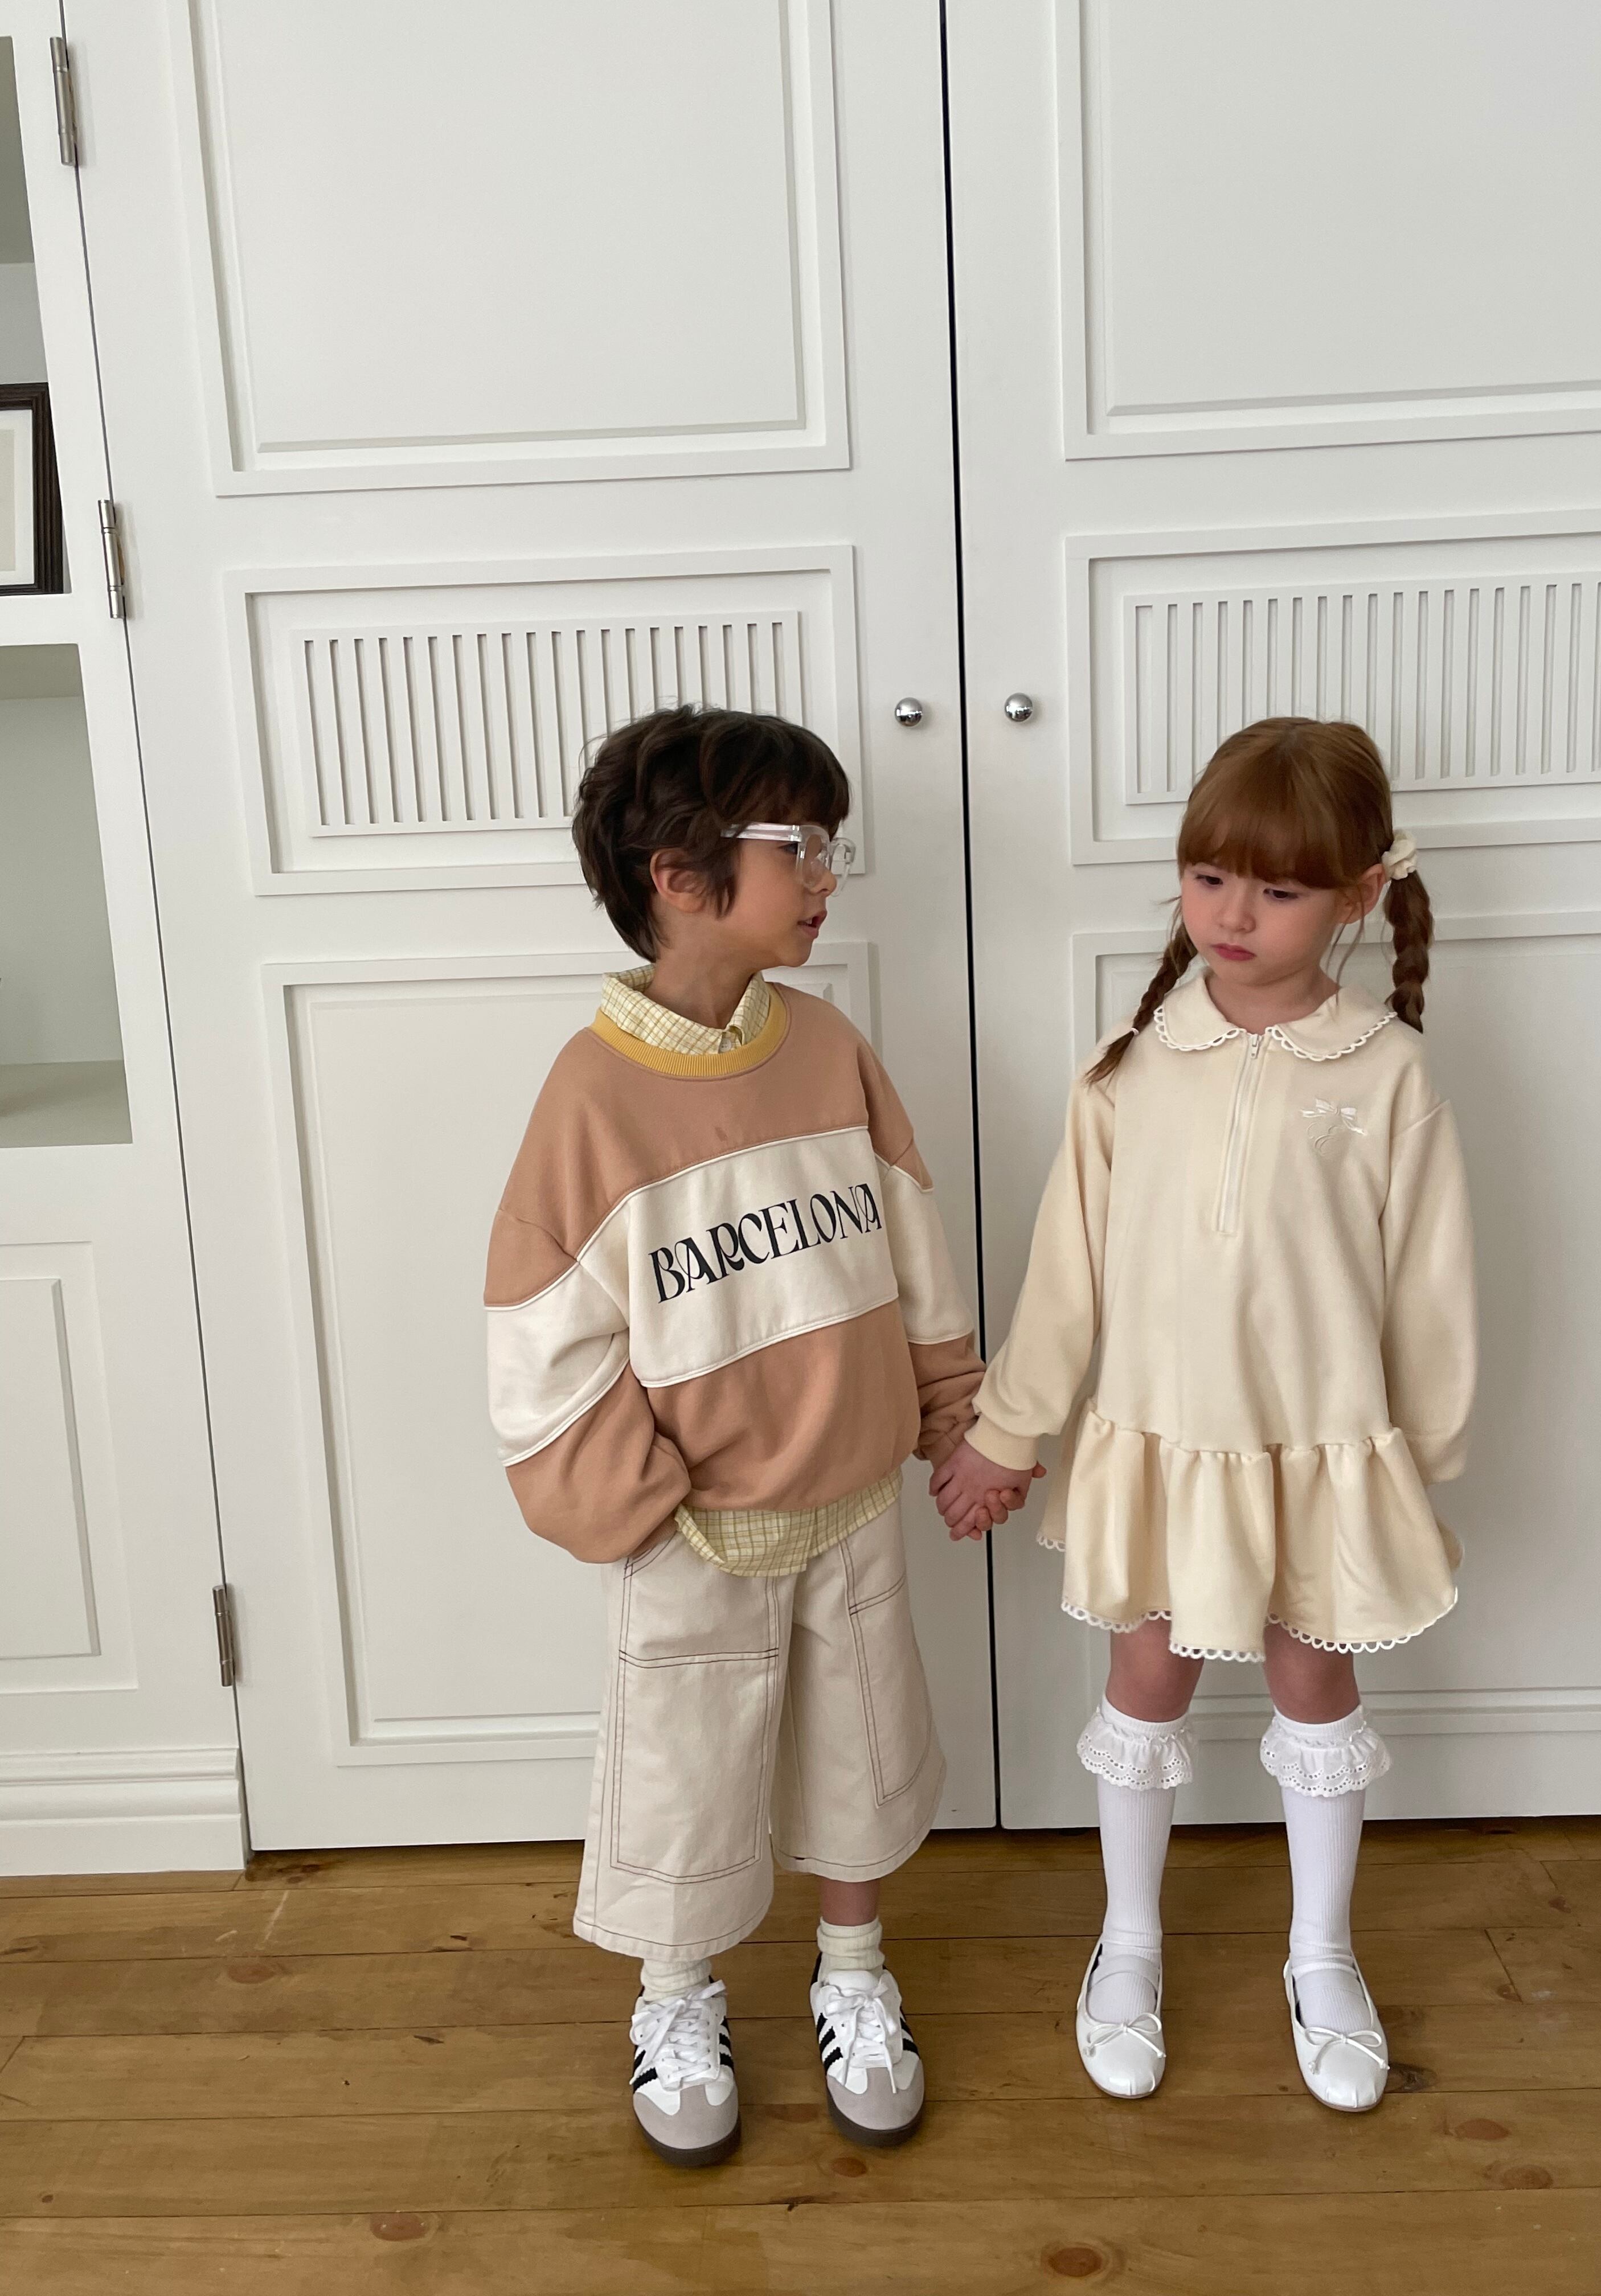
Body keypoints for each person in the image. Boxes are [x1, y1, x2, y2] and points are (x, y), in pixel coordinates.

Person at [933, 717, 1476, 2114]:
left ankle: (1322, 1952)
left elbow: (1431, 1287)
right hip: (1165, 1445)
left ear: (1359, 894)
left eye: (1279, 889)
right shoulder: (1131, 1065)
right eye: (1209, 877)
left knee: (1316, 1685)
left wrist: (1420, 1458)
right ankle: (1129, 1941)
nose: (1235, 915)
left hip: (1319, 1451)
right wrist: (1007, 1428)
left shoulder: (1389, 1074)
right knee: (1147, 1680)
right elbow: (1068, 1272)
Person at [485, 706, 983, 2166]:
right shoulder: (590, 1098)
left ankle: (854, 1974)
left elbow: (914, 1249)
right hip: (692, 1532)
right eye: (799, 846)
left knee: (858, 1754)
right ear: (679, 873)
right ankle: (677, 1998)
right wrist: (636, 1504)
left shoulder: (828, 1049)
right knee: (685, 1772)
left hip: (851, 1501)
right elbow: (540, 1337)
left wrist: (950, 1416)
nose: (827, 876)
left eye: (832, 847)